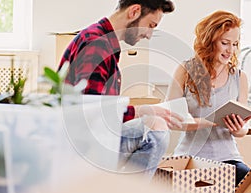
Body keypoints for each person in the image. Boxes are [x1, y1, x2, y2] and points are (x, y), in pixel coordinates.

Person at [58, 0, 184, 178]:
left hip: (85, 138)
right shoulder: (98, 45)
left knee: (153, 122)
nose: (149, 35)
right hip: (80, 146)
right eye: (150, 25)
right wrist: (144, 111)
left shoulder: (101, 41)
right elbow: (91, 110)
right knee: (155, 131)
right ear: (134, 12)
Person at [166, 10, 250, 186]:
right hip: (190, 158)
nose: (231, 50)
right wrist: (205, 122)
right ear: (210, 41)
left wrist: (238, 129)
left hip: (228, 159)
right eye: (225, 43)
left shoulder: (240, 77)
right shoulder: (185, 71)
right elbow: (172, 119)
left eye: (235, 44)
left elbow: (244, 130)